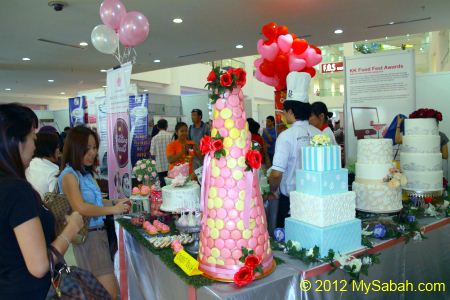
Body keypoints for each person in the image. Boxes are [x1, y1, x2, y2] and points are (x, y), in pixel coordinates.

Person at [0, 103, 83, 299]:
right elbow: (39, 266)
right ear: (16, 141)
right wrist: (71, 229)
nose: (34, 146)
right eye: (32, 138)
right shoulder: (16, 191)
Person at [58, 125, 130, 299]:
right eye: (87, 148)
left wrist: (114, 202)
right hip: (88, 239)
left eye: (95, 147)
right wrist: (113, 209)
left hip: (99, 236)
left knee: (100, 292)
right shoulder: (69, 175)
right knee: (109, 293)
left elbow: (95, 202)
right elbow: (81, 207)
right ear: (75, 148)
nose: (92, 152)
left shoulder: (84, 173)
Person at [268, 73, 321, 228]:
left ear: (290, 111)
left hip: (290, 201)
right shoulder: (319, 134)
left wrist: (272, 189)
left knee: (288, 243)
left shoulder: (286, 136)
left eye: (284, 111)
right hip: (316, 199)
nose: (283, 115)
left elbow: (276, 174)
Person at [26, 132, 61, 199]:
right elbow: (53, 203)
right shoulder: (53, 172)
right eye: (57, 147)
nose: (58, 150)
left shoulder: (29, 164)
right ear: (49, 149)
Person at [150, 119, 172, 187]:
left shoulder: (154, 138)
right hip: (170, 166)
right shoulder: (171, 136)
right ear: (167, 126)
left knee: (163, 186)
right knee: (171, 185)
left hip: (160, 167)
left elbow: (152, 153)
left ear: (157, 127)